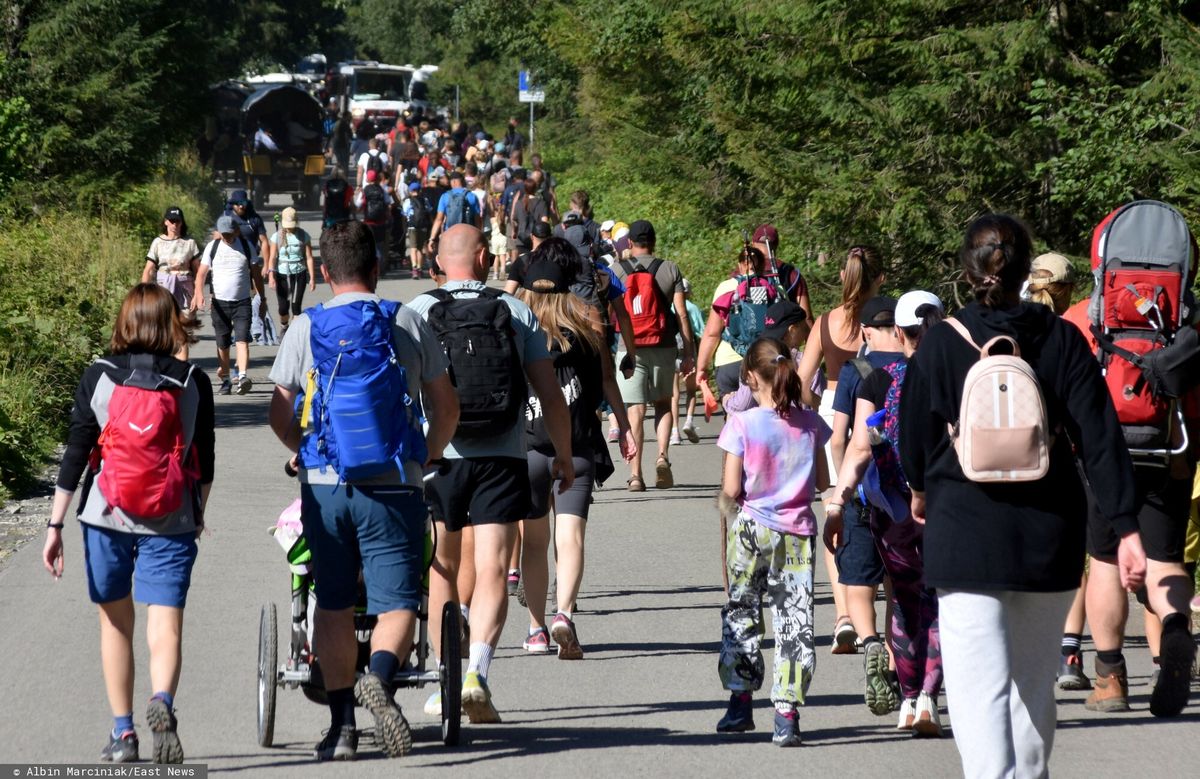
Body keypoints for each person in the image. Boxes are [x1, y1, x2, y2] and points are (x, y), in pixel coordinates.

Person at [899, 213, 1147, 778]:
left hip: (963, 533)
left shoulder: (938, 344)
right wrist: (1126, 525)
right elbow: (1100, 437)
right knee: (1033, 688)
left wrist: (919, 490)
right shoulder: (1062, 340)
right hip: (1049, 534)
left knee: (977, 690)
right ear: (1024, 272)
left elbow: (911, 436)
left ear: (966, 273)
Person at [267, 221, 459, 761]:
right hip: (395, 482)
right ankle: (379, 675)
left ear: (324, 272)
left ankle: (343, 727)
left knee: (330, 602)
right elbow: (446, 408)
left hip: (325, 486)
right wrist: (429, 453)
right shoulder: (406, 319)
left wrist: (300, 447)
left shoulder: (305, 328)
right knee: (398, 601)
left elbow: (278, 412)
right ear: (376, 269)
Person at [405, 224, 574, 724]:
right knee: (495, 566)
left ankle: (443, 680)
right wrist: (562, 454)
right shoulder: (515, 310)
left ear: (439, 259)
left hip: (440, 456)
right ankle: (477, 670)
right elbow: (549, 393)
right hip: (503, 454)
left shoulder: (417, 311)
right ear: (483, 258)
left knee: (442, 569)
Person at [43, 283, 214, 765]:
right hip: (171, 515)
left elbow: (77, 452)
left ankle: (124, 735)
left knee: (116, 624)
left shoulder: (99, 375)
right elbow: (206, 461)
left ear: (124, 323)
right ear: (171, 325)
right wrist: (196, 515)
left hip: (106, 514)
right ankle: (162, 701)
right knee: (166, 624)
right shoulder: (192, 381)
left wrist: (55, 526)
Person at [825, 290, 946, 736]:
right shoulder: (956, 375)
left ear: (899, 332)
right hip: (945, 507)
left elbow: (859, 445)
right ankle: (931, 695)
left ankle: (910, 697)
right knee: (939, 603)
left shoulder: (878, 379)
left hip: (892, 512)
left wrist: (839, 500)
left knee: (906, 601)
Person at [513, 243, 636, 658]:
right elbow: (606, 381)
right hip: (578, 444)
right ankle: (564, 613)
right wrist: (623, 425)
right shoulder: (587, 329)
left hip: (527, 447)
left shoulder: (514, 332)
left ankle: (535, 630)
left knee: (533, 541)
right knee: (571, 537)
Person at [715, 336, 831, 748]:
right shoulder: (812, 424)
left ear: (750, 377)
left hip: (750, 529)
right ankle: (786, 715)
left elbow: (731, 486)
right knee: (794, 620)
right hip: (797, 533)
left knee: (743, 610)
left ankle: (740, 702)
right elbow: (821, 482)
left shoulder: (741, 424)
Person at [798, 245, 885, 654]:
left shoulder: (826, 323)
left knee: (837, 514)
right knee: (885, 511)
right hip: (881, 414)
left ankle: (843, 616)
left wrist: (814, 414)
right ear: (879, 279)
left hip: (836, 414)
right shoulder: (887, 320)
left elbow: (801, 381)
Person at [825, 296, 904, 713]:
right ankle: (894, 661)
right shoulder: (916, 364)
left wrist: (843, 487)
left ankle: (868, 640)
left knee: (858, 577)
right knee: (896, 580)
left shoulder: (857, 370)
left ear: (868, 332)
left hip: (862, 487)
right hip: (903, 492)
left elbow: (840, 438)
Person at [611, 220, 695, 492]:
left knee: (634, 410)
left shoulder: (617, 271)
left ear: (630, 243)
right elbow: (682, 313)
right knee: (662, 404)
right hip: (664, 344)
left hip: (629, 347)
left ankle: (635, 475)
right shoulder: (669, 268)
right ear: (653, 241)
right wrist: (690, 351)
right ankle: (662, 456)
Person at [697, 245, 785, 400]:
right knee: (767, 411)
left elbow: (712, 333)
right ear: (762, 265)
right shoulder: (776, 288)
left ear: (740, 265)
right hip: (766, 360)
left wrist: (702, 368)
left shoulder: (726, 287)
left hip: (730, 361)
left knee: (734, 414)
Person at [194, 216, 265, 396]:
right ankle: (225, 379)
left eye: (229, 233)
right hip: (219, 303)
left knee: (242, 340)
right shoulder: (213, 247)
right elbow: (201, 274)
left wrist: (262, 298)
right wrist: (199, 293)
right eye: (223, 233)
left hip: (242, 302)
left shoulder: (247, 246)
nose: (226, 237)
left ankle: (242, 376)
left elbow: (256, 274)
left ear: (236, 231)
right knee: (223, 343)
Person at [142, 207, 200, 359]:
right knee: (163, 330)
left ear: (182, 223)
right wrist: (144, 293)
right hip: (164, 289)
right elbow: (149, 269)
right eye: (172, 221)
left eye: (178, 221)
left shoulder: (189, 243)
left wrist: (198, 294)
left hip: (184, 290)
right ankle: (165, 370)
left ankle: (181, 373)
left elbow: (198, 270)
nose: (175, 224)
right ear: (166, 222)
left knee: (183, 332)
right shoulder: (158, 242)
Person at [266, 206, 316, 332]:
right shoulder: (276, 237)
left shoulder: (303, 235)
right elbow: (272, 258)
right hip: (282, 274)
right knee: (283, 307)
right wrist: (271, 276)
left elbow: (309, 257)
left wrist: (312, 278)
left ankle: (294, 334)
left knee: (296, 306)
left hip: (299, 273)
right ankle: (284, 326)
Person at [671, 278, 706, 444]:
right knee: (691, 391)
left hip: (670, 352)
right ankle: (689, 421)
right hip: (689, 352)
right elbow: (701, 333)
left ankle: (674, 432)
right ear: (688, 292)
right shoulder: (692, 308)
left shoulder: (669, 307)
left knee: (673, 394)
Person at [752, 224, 811, 317]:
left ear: (753, 244)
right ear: (776, 244)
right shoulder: (792, 274)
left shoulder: (741, 272)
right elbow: (807, 316)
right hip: (784, 330)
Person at [426, 171, 483, 256]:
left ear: (453, 182)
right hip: (467, 234)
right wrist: (479, 237)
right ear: (462, 181)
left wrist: (432, 239)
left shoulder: (445, 196)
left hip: (450, 234)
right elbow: (478, 219)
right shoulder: (472, 196)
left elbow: (439, 220)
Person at [354, 169, 393, 270]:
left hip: (368, 222)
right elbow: (388, 203)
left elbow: (358, 205)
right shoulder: (382, 190)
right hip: (381, 222)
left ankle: (371, 268)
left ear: (367, 178)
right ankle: (380, 267)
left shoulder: (365, 190)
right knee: (380, 245)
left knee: (369, 244)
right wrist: (388, 218)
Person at [220, 190, 270, 263]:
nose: (241, 206)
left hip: (251, 259)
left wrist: (266, 265)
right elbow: (216, 238)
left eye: (243, 203)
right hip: (230, 260)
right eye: (237, 204)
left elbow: (264, 241)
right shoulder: (225, 218)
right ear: (232, 204)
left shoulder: (254, 219)